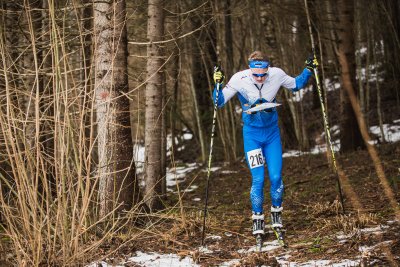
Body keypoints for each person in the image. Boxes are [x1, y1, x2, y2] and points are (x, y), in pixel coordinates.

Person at [212, 51, 317, 240]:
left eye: (263, 74)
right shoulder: (239, 79)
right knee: (258, 179)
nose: (260, 78)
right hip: (252, 135)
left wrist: (308, 70)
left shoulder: (276, 74)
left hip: (271, 135)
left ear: (268, 69)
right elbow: (218, 102)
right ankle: (258, 219)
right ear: (250, 69)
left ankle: (276, 215)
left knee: (276, 177)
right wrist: (217, 83)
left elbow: (296, 85)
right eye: (256, 74)